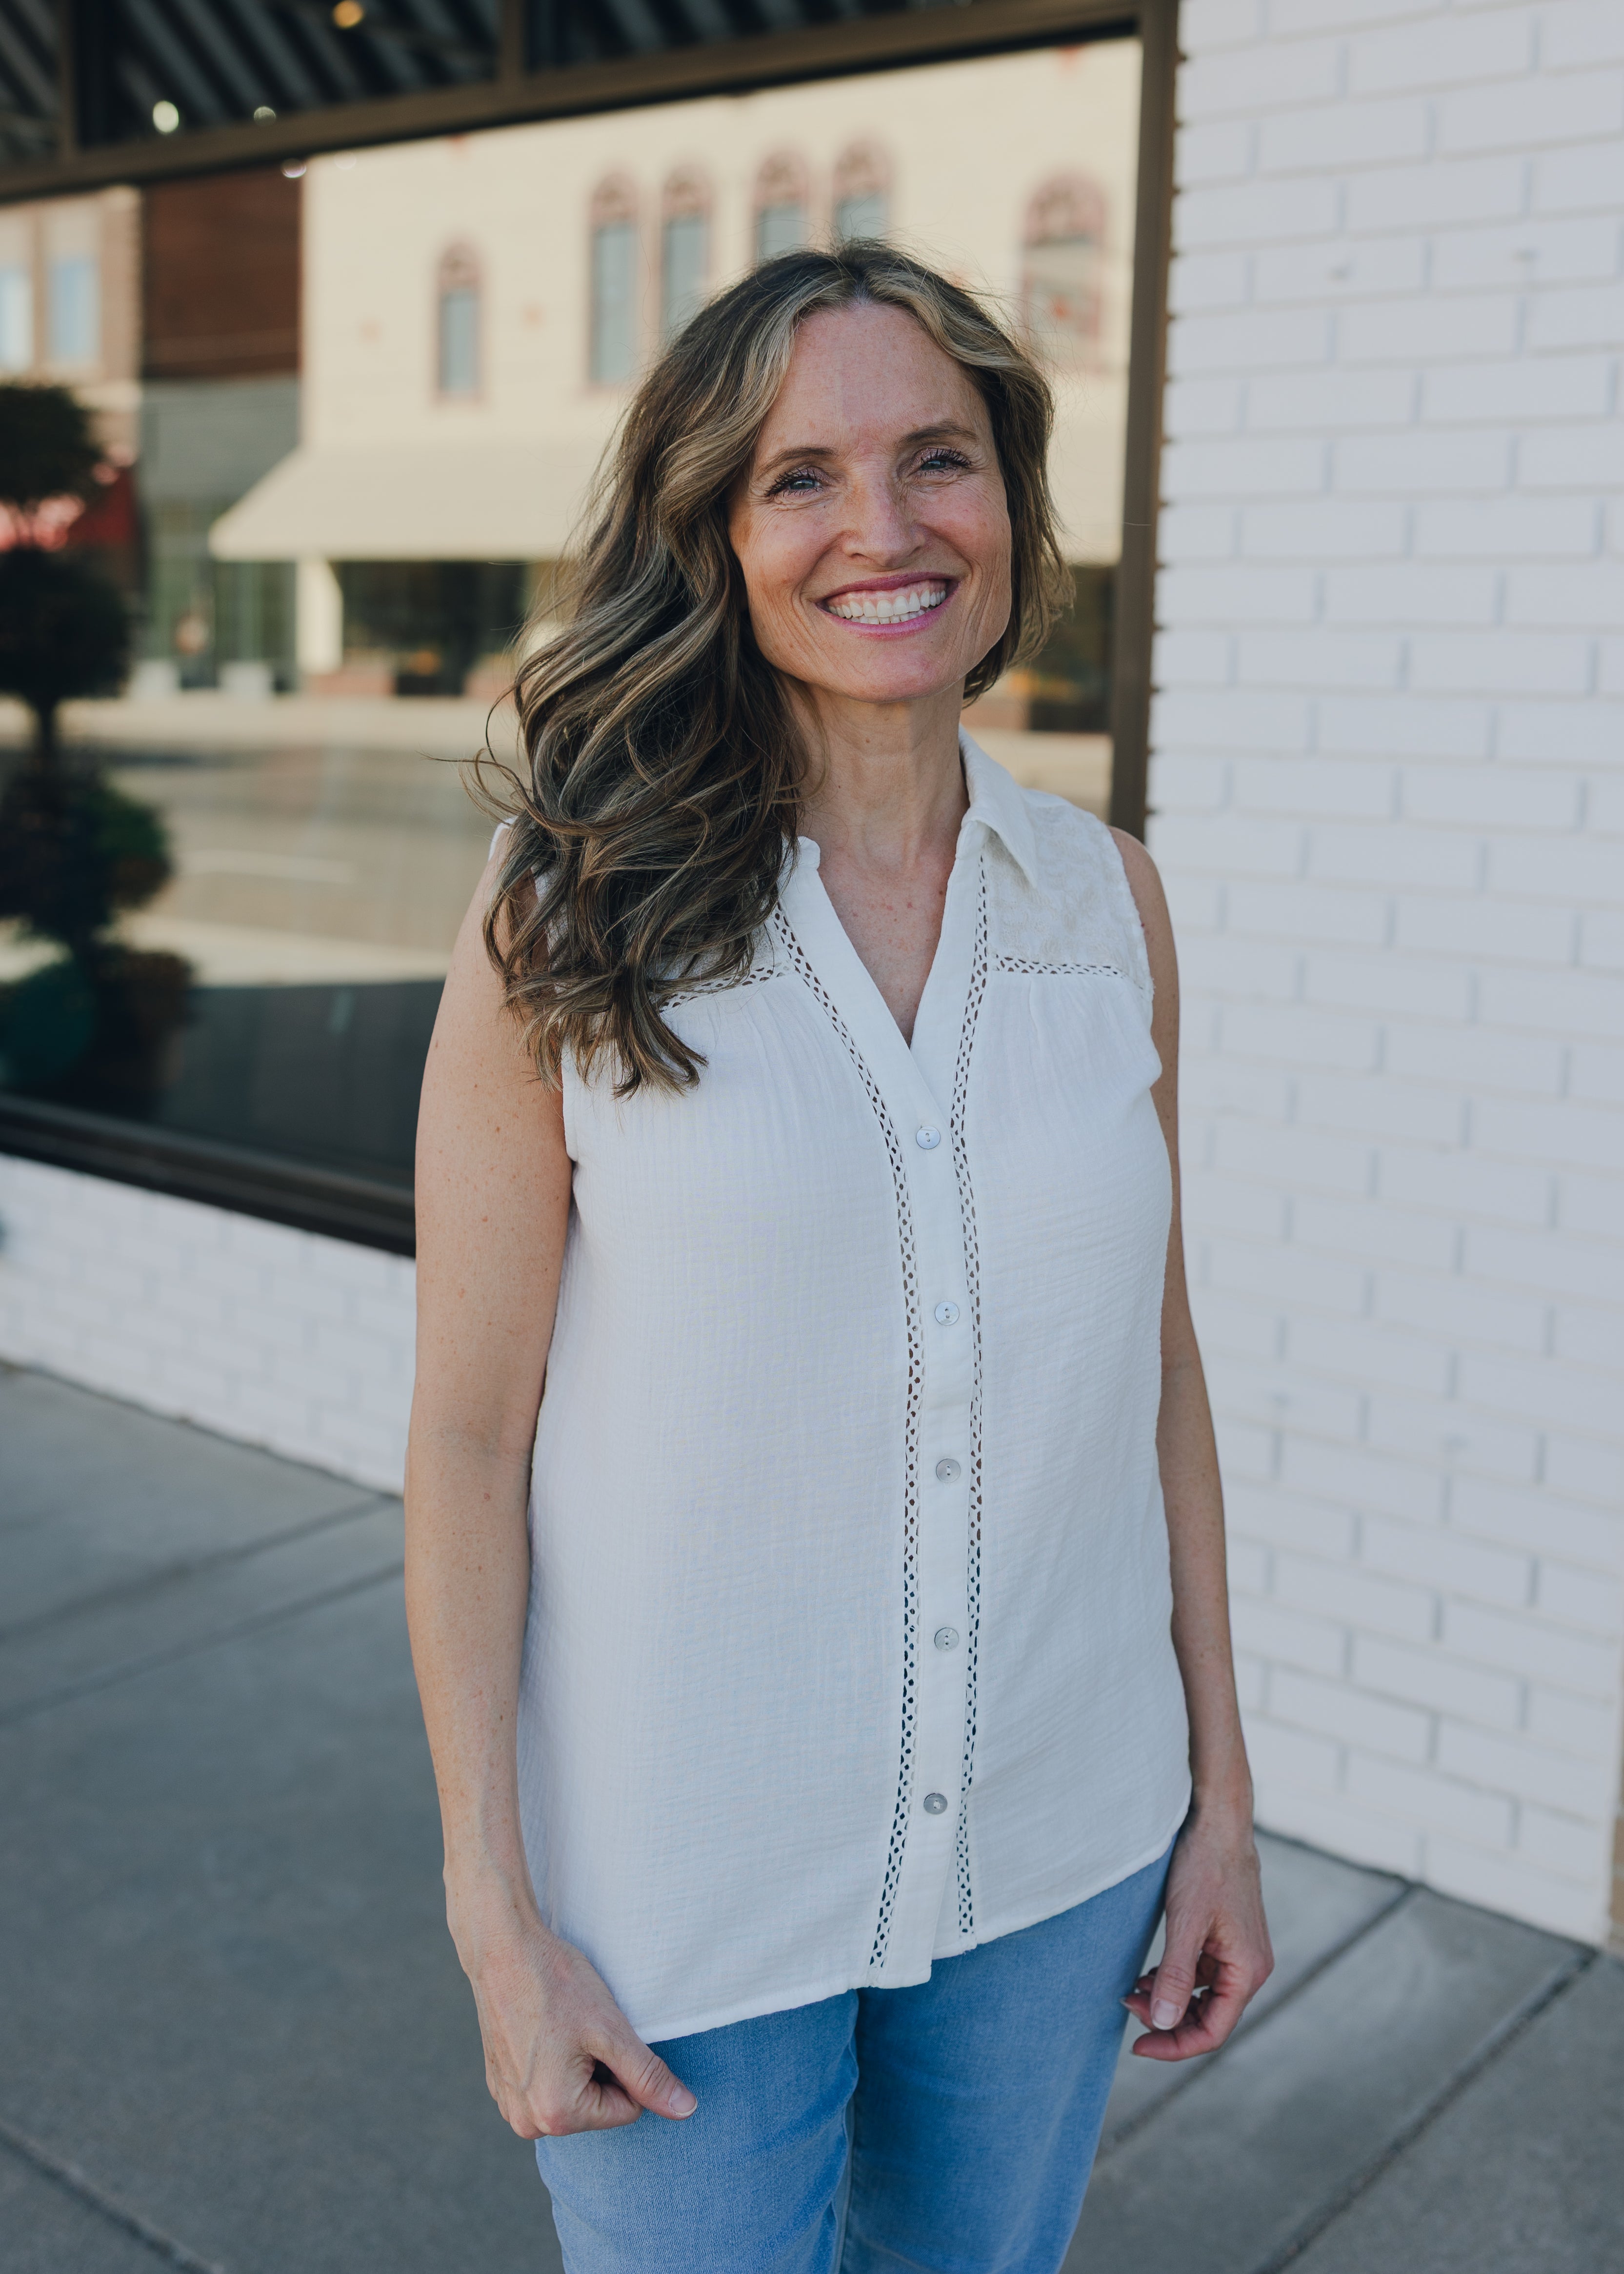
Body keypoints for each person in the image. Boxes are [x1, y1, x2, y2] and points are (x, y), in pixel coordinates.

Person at [404, 242, 1272, 2274]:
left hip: (1062, 1844)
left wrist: (1218, 1796)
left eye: (935, 458)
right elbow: (464, 1439)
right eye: (799, 474)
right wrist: (489, 1910)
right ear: (714, 528)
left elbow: (1152, 1374)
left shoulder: (1103, 897)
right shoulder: (569, 910)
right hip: (675, 1886)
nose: (879, 527)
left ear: (1009, 501)